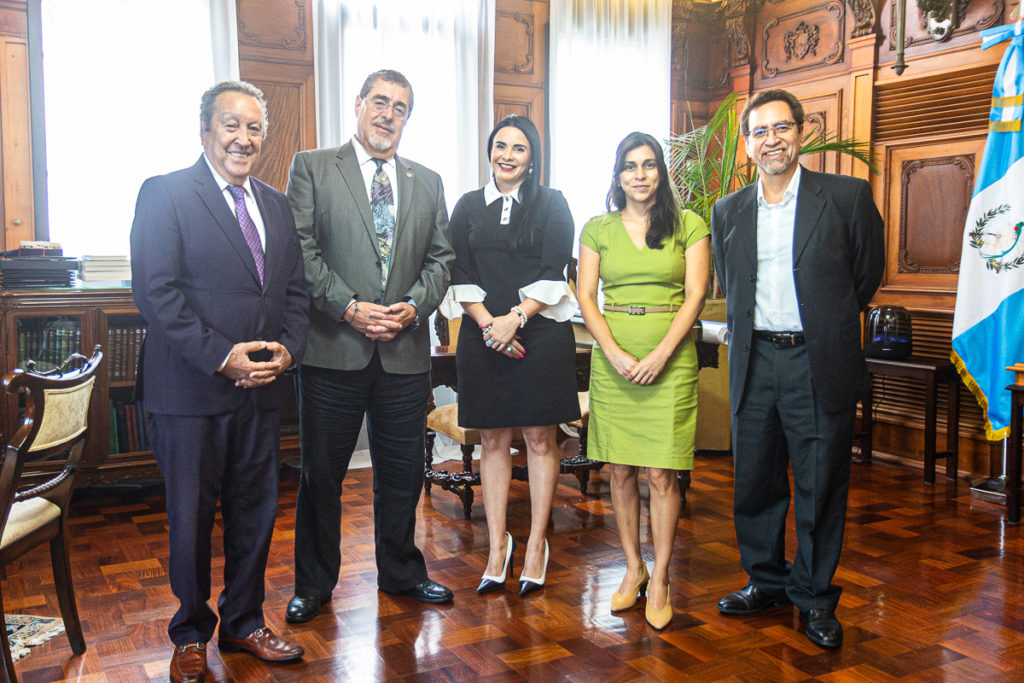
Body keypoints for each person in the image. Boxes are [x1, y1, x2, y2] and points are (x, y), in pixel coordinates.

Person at [130, 80, 309, 683]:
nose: (244, 137)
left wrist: (287, 351)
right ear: (205, 129)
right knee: (190, 516)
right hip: (189, 393)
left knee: (255, 514)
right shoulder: (166, 194)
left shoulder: (278, 205)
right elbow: (157, 295)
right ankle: (188, 634)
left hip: (261, 392)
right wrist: (220, 356)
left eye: (254, 127)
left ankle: (243, 621)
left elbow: (294, 295)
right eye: (231, 124)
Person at [710, 88, 884, 648]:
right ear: (747, 144)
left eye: (780, 128)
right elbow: (731, 285)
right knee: (755, 480)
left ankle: (813, 598)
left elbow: (866, 276)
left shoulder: (847, 197)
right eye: (759, 132)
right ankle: (766, 582)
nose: (771, 140)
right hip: (754, 359)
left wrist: (825, 326)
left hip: (818, 360)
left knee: (819, 484)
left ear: (801, 132)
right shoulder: (728, 211)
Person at [284, 69, 454, 623]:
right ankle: (313, 584)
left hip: (404, 355)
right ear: (358, 104)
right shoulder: (312, 167)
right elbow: (301, 253)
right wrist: (350, 306)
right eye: (379, 102)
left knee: (402, 473)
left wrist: (413, 306)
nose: (388, 114)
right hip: (333, 349)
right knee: (321, 477)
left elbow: (441, 261)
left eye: (400, 107)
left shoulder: (427, 180)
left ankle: (402, 572)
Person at [438, 115, 580, 597]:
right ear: (489, 151)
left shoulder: (552, 203)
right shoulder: (468, 206)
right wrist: (487, 325)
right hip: (482, 335)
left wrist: (514, 319)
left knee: (541, 440)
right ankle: (498, 546)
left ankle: (537, 543)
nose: (507, 155)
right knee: (492, 441)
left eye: (519, 148)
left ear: (532, 157)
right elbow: (458, 269)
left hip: (540, 334)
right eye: (500, 146)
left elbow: (555, 269)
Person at [577, 132, 711, 630]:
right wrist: (612, 351)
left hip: (670, 358)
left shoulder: (690, 225)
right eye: (630, 166)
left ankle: (661, 578)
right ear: (618, 175)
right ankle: (633, 568)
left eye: (649, 165)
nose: (640, 174)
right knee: (621, 471)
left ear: (660, 173)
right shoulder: (597, 228)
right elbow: (587, 296)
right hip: (613, 359)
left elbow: (696, 294)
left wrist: (660, 353)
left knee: (662, 473)